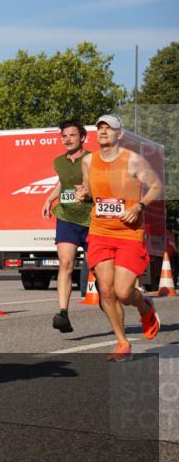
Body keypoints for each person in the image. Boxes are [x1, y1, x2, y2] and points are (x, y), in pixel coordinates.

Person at [75, 114, 163, 362]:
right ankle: (122, 342)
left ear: (119, 134)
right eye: (100, 128)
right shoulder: (88, 160)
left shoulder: (133, 160)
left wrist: (140, 206)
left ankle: (145, 307)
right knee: (106, 290)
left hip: (129, 233)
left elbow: (155, 186)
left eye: (109, 128)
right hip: (100, 231)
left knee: (124, 293)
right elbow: (89, 190)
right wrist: (83, 194)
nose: (103, 132)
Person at [41, 119, 93, 333]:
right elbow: (62, 182)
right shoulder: (59, 161)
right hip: (66, 218)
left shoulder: (93, 159)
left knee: (99, 270)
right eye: (64, 136)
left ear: (82, 137)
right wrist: (49, 199)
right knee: (66, 264)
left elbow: (101, 182)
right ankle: (63, 314)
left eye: (72, 135)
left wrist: (89, 191)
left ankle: (108, 299)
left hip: (92, 219)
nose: (67, 139)